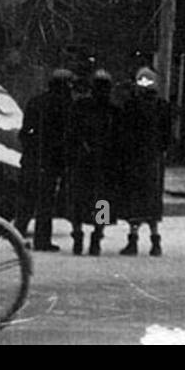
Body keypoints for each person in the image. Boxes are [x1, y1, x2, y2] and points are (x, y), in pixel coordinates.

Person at [14, 68, 75, 251]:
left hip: (32, 158)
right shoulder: (66, 105)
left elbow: (25, 132)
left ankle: (16, 235)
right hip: (51, 161)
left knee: (26, 201)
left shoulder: (36, 101)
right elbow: (66, 136)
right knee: (45, 203)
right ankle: (42, 240)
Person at [117, 66, 169, 257]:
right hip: (153, 161)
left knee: (135, 201)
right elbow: (167, 136)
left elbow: (124, 133)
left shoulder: (132, 105)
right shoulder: (162, 106)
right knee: (152, 201)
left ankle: (133, 240)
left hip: (135, 160)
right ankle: (155, 241)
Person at [70, 69, 119, 256]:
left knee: (80, 200)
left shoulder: (81, 106)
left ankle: (78, 234)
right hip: (104, 164)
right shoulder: (112, 111)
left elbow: (72, 133)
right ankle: (97, 236)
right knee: (102, 201)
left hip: (84, 161)